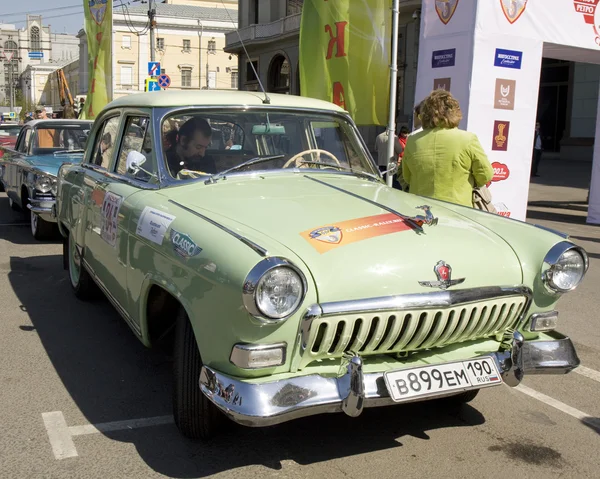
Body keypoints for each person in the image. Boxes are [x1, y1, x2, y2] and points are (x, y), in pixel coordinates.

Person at [400, 89, 493, 207]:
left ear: (424, 115)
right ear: (455, 113)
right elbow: (485, 175)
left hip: (420, 210)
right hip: (458, 210)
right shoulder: (468, 139)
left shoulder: (412, 141)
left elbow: (407, 177)